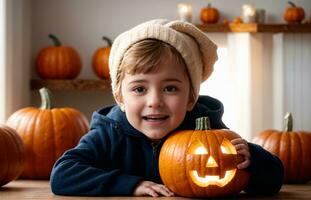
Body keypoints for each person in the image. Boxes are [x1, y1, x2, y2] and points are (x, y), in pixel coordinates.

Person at [50, 19, 284, 197]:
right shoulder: (109, 133)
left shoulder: (206, 129)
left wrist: (254, 160)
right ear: (120, 98)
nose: (154, 101)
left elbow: (273, 182)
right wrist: (131, 184)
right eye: (140, 89)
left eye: (170, 89)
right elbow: (62, 175)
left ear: (191, 98)